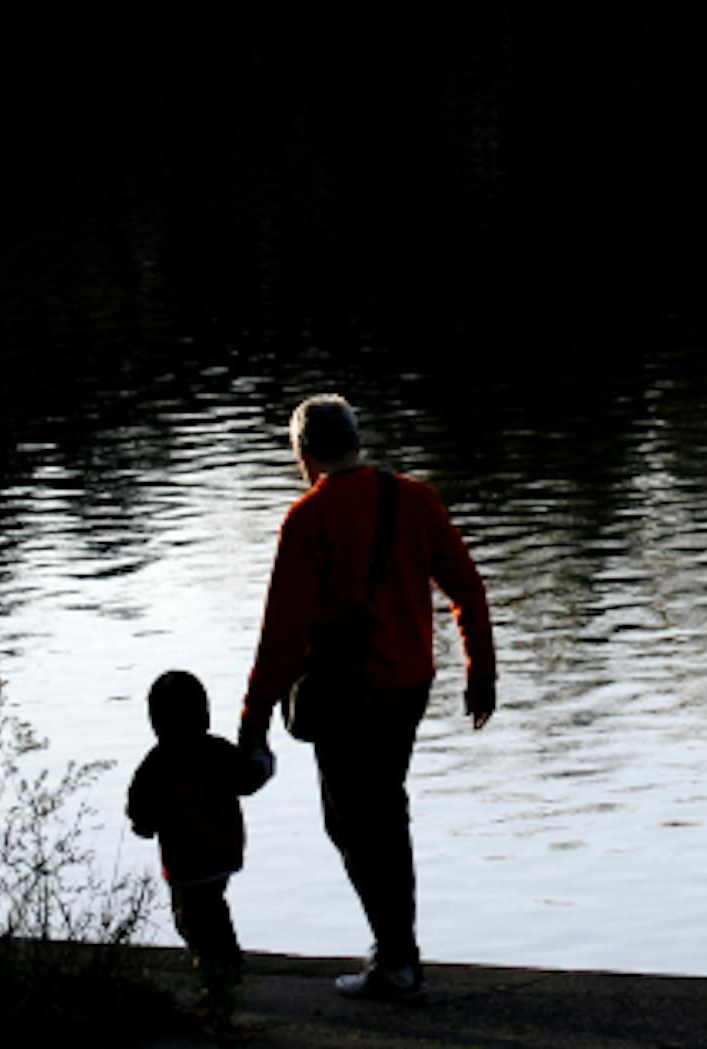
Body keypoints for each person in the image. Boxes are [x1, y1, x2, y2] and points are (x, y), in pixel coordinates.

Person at [237, 393, 497, 1004]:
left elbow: (281, 635)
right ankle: (397, 952)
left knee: (355, 821)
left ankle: (397, 959)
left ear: (303, 453)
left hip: (346, 693)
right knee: (381, 813)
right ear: (357, 440)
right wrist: (480, 672)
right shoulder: (415, 498)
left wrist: (252, 725)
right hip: (408, 687)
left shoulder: (308, 519)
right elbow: (469, 589)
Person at [127, 669, 276, 1012]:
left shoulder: (156, 764)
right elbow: (249, 778)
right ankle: (225, 964)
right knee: (213, 906)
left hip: (184, 858)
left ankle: (216, 973)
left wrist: (142, 826)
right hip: (223, 851)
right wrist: (264, 760)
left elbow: (140, 809)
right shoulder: (218, 752)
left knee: (192, 917)